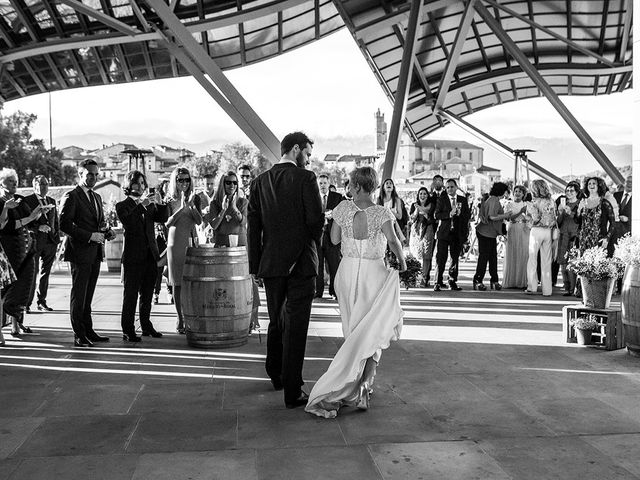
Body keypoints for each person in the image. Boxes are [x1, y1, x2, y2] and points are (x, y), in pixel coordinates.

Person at [305, 166, 405, 418]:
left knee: (353, 330)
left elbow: (336, 240)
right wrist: (403, 263)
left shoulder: (342, 209)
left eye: (350, 184)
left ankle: (351, 382)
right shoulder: (382, 212)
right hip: (374, 275)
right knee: (373, 328)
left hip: (348, 274)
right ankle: (363, 385)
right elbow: (393, 241)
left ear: (357, 186)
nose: (349, 188)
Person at [247, 131, 324, 409]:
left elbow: (252, 228)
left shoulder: (259, 182)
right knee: (297, 326)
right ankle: (293, 390)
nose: (308, 159)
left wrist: (255, 266)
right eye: (307, 153)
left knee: (277, 320)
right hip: (301, 263)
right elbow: (316, 222)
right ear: (295, 149)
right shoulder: (306, 178)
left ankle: (275, 374)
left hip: (271, 264)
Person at [59, 159, 116, 347]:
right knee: (79, 294)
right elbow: (64, 225)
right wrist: (90, 236)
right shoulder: (71, 196)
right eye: (89, 174)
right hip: (79, 252)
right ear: (80, 174)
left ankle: (88, 329)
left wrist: (107, 231)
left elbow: (97, 223)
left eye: (96, 174)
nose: (93, 177)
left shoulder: (97, 197)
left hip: (95, 253)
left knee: (88, 295)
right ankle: (79, 334)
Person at [116, 170, 169, 342]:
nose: (140, 186)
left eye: (142, 183)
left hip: (150, 255)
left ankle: (146, 325)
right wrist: (142, 205)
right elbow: (129, 222)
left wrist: (160, 203)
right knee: (130, 295)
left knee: (147, 294)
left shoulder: (148, 204)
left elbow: (163, 217)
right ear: (128, 185)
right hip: (133, 257)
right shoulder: (122, 205)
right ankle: (128, 329)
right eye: (136, 183)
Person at [0, 168, 43, 337]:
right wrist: (30, 218)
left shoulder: (19, 199)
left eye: (15, 181)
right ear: (2, 182)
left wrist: (38, 215)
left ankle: (16, 325)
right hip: (8, 249)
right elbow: (7, 226)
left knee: (24, 284)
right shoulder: (1, 201)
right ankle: (3, 328)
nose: (14, 184)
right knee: (8, 289)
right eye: (10, 180)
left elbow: (31, 219)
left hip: (24, 248)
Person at [165, 167, 202, 334]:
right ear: (175, 181)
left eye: (187, 180)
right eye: (181, 180)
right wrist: (181, 207)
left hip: (191, 243)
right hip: (175, 244)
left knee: (193, 283)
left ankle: (192, 317)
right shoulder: (169, 200)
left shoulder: (195, 198)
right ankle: (180, 319)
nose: (185, 183)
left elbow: (199, 221)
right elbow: (168, 223)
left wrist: (191, 206)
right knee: (178, 284)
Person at [24, 175, 60, 312]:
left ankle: (42, 301)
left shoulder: (52, 201)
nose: (44, 187)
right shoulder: (27, 201)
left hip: (51, 242)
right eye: (41, 184)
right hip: (35, 242)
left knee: (46, 273)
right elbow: (25, 223)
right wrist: (38, 227)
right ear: (34, 186)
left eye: (46, 184)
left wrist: (56, 235)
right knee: (33, 274)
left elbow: (55, 220)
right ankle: (27, 304)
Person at [474, 182, 519, 291]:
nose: (506, 194)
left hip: (489, 233)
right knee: (485, 257)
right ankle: (478, 280)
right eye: (505, 191)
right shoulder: (494, 200)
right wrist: (506, 215)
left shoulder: (492, 199)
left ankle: (493, 280)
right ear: (501, 191)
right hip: (486, 233)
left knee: (492, 257)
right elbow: (492, 217)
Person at [434, 179, 470, 291]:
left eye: (452, 187)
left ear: (456, 187)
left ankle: (452, 281)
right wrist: (449, 214)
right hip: (444, 233)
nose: (450, 189)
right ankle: (438, 281)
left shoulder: (463, 200)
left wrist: (461, 216)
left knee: (454, 259)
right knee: (441, 258)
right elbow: (436, 215)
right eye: (448, 187)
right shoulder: (441, 199)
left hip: (457, 233)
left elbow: (467, 216)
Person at [525, 179, 557, 296]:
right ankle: (547, 290)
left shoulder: (533, 202)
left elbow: (535, 218)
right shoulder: (551, 201)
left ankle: (532, 287)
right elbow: (555, 217)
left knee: (532, 259)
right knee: (546, 261)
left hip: (536, 230)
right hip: (548, 231)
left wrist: (527, 218)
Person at [315, 173, 344, 299]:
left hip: (333, 236)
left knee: (334, 266)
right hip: (318, 236)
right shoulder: (312, 197)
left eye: (324, 183)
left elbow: (344, 213)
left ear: (329, 183)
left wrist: (335, 215)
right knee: (318, 266)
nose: (322, 186)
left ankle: (335, 291)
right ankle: (318, 292)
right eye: (320, 183)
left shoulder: (337, 197)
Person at [206, 171, 248, 247]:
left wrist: (235, 209)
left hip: (240, 245)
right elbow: (214, 226)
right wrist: (223, 210)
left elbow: (244, 222)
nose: (232, 185)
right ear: (223, 184)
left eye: (235, 182)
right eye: (228, 182)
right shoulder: (214, 204)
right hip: (221, 246)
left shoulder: (243, 202)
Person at [577, 177, 615, 255]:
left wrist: (607, 238)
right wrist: (579, 210)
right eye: (589, 184)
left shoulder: (605, 203)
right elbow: (578, 222)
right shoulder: (583, 202)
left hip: (599, 240)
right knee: (583, 266)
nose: (591, 185)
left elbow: (613, 223)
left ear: (599, 186)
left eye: (594, 183)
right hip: (584, 241)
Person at [556, 181, 581, 296]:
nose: (569, 192)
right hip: (563, 234)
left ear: (577, 192)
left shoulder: (579, 204)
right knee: (563, 262)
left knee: (572, 262)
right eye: (567, 190)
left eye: (571, 190)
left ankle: (573, 288)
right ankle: (567, 287)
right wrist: (561, 212)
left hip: (574, 235)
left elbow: (579, 220)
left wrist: (570, 212)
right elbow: (559, 222)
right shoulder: (563, 203)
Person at [502, 185, 530, 289]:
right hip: (512, 229)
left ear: (523, 194)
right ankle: (512, 280)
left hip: (524, 228)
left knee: (524, 253)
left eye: (520, 192)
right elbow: (509, 218)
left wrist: (526, 215)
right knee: (513, 252)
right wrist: (520, 212)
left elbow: (530, 217)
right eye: (516, 191)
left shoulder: (526, 204)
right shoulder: (509, 205)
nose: (517, 193)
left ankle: (522, 281)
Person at [408, 187, 436, 287]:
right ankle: (413, 277)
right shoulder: (414, 205)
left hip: (428, 230)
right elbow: (411, 219)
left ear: (427, 195)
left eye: (424, 194)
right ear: (418, 195)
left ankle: (424, 278)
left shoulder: (431, 205)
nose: (422, 196)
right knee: (415, 254)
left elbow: (433, 219)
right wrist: (417, 210)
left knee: (426, 255)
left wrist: (424, 213)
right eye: (420, 194)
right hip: (416, 232)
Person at [613, 175, 632, 293]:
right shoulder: (616, 196)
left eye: (632, 181)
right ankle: (615, 286)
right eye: (628, 181)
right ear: (624, 182)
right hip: (615, 232)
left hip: (628, 232)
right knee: (615, 260)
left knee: (625, 260)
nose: (629, 183)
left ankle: (623, 287)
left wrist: (628, 219)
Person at [377, 178, 407, 243]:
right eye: (387, 183)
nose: (389, 184)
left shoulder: (397, 200)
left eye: (390, 183)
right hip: (383, 228)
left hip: (394, 228)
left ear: (393, 187)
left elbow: (400, 216)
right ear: (383, 187)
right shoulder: (379, 200)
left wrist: (391, 212)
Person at [197, 174, 216, 243]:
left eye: (212, 184)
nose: (210, 186)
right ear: (203, 183)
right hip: (202, 230)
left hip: (216, 230)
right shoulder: (198, 197)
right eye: (207, 184)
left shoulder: (219, 196)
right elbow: (194, 214)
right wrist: (203, 211)